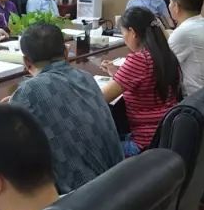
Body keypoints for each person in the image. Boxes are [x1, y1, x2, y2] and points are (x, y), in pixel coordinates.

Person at [8, 23, 123, 193]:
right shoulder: (86, 77)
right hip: (120, 184)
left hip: (80, 199)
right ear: (66, 52)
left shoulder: (27, 92)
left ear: (26, 61)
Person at [100, 7, 181, 156]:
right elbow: (146, 81)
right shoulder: (165, 54)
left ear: (132, 32)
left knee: (93, 148)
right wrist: (117, 73)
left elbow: (101, 98)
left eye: (123, 33)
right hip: (164, 135)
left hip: (144, 144)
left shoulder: (140, 60)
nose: (124, 38)